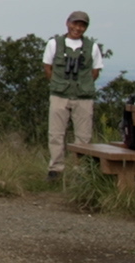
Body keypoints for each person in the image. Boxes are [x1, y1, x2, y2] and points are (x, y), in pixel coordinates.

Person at [44, 10, 102, 179]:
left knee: (84, 136)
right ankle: (55, 169)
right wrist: (59, 84)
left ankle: (80, 171)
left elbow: (95, 71)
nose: (78, 28)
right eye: (75, 23)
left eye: (82, 25)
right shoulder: (54, 44)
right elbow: (48, 68)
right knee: (56, 133)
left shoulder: (92, 46)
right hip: (59, 95)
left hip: (83, 96)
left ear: (86, 28)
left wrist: (81, 85)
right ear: (68, 23)